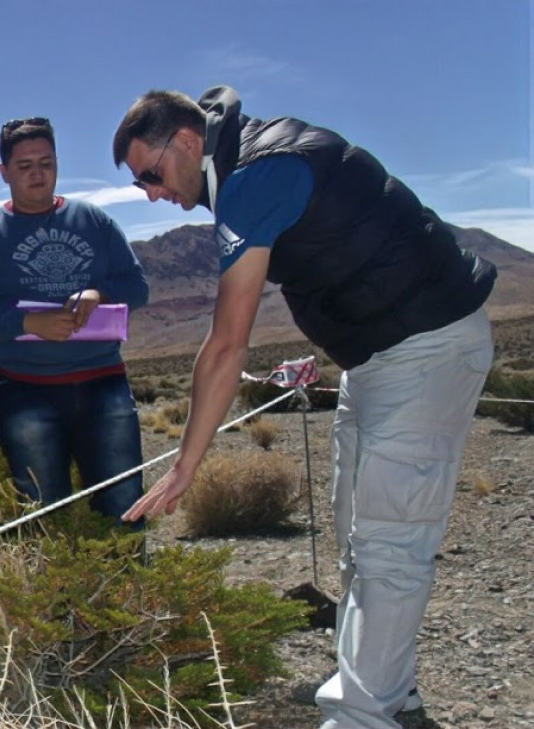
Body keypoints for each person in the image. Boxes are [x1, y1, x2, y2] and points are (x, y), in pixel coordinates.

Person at [112, 87, 496, 729]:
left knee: (389, 543)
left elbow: (227, 341)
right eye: (139, 184)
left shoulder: (257, 176)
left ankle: (359, 715)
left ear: (185, 141)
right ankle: (387, 692)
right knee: (359, 535)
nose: (151, 192)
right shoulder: (245, 163)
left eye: (150, 174)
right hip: (379, 355)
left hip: (425, 346)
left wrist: (185, 467)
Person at [0, 117, 150, 523]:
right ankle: (55, 588)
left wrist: (98, 293)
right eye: (24, 166)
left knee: (123, 502)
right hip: (20, 391)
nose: (37, 174)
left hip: (102, 381)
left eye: (46, 162)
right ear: (4, 172)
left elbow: (137, 286)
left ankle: (128, 586)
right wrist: (28, 325)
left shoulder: (95, 222)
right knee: (44, 510)